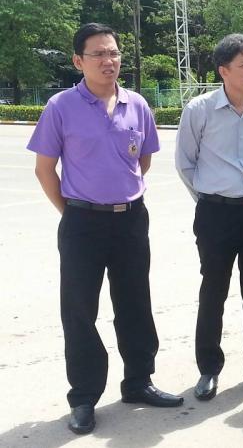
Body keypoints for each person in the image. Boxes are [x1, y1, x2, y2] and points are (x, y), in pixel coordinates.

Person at [27, 22, 183, 435]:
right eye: (98, 53)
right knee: (80, 310)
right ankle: (83, 397)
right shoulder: (61, 106)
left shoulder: (137, 105)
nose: (108, 60)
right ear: (78, 61)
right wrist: (72, 212)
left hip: (130, 219)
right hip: (82, 222)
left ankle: (138, 382)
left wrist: (121, 197)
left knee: (135, 303)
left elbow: (142, 160)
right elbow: (45, 169)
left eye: (113, 52)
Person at [175, 33, 243, 401]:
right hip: (215, 215)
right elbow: (185, 163)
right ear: (224, 71)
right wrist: (210, 199)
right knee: (214, 291)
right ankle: (209, 369)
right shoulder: (199, 109)